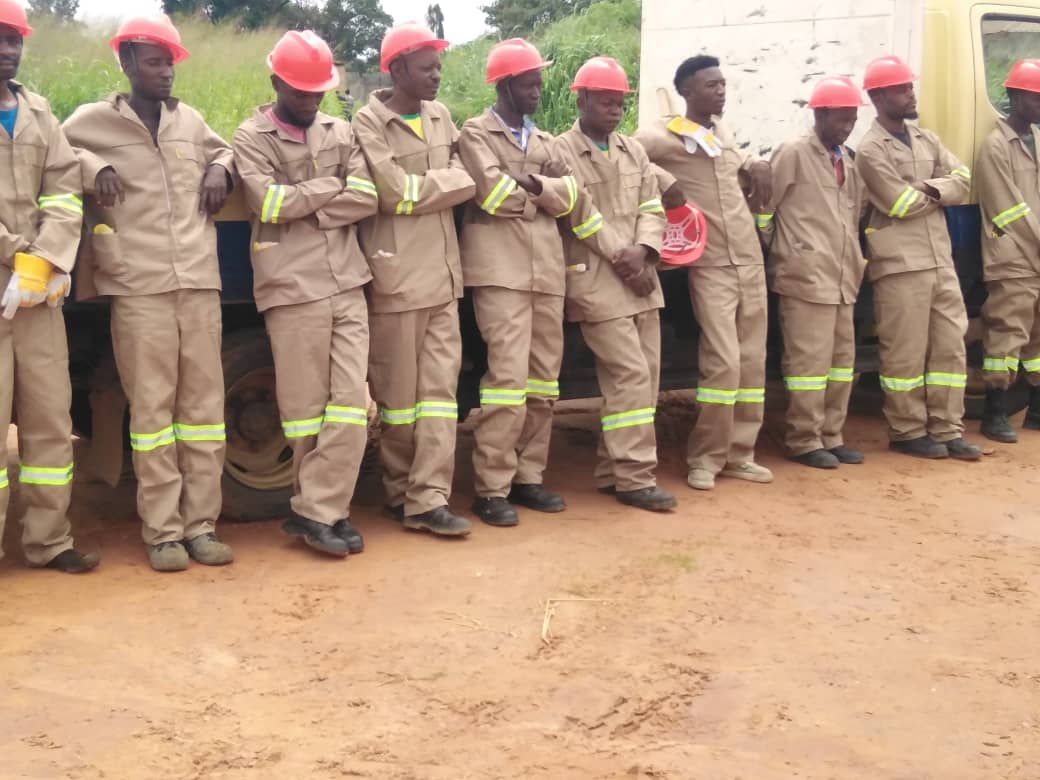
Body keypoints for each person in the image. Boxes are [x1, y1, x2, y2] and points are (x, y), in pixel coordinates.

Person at [63, 15, 236, 571]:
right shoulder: (93, 121)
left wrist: (221, 171)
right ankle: (162, 532)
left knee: (205, 411)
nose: (166, 73)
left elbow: (228, 152)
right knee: (153, 412)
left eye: (171, 62)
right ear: (128, 63)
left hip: (198, 283)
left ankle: (201, 526)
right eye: (155, 62)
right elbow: (54, 155)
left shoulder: (189, 121)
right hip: (139, 287)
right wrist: (96, 166)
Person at [233, 31, 377, 557]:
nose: (312, 102)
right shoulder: (250, 137)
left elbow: (366, 195)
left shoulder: (340, 130)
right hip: (292, 289)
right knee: (303, 412)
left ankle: (318, 510)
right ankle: (321, 510)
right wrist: (329, 191)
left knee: (351, 406)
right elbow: (268, 204)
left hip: (347, 280)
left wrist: (306, 202)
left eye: (319, 93)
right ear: (276, 83)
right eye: (301, 93)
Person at [352, 22, 476, 537]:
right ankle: (401, 493)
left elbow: (465, 177)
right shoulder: (368, 122)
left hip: (445, 280)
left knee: (440, 397)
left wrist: (436, 185)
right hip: (398, 279)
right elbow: (393, 192)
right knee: (400, 402)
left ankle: (429, 499)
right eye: (426, 67)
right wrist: (451, 182)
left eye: (438, 66)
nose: (436, 76)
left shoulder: (441, 116)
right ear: (397, 68)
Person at [635, 55, 773, 491]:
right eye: (710, 85)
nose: (720, 91)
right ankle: (706, 457)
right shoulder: (664, 134)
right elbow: (626, 156)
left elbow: (733, 159)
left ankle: (740, 454)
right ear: (687, 92)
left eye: (722, 83)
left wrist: (753, 163)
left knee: (752, 363)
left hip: (748, 259)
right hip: (710, 263)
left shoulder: (721, 131)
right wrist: (663, 181)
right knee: (724, 362)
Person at [458, 39, 575, 527]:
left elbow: (570, 196)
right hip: (500, 274)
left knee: (544, 384)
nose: (537, 90)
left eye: (538, 81)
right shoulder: (475, 134)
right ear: (506, 85)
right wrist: (539, 187)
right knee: (506, 382)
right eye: (529, 82)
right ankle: (492, 487)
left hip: (546, 272)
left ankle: (529, 477)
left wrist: (536, 185)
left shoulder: (544, 139)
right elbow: (493, 194)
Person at [0, 0, 97, 573]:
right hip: (16, 276)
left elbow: (64, 190)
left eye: (14, 40)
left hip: (37, 293)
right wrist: (21, 256)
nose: (8, 50)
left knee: (48, 420)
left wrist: (46, 261)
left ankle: (48, 540)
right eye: (0, 40)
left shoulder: (39, 113)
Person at [555, 56, 677, 513]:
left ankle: (614, 469)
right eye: (605, 101)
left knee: (646, 378)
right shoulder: (562, 149)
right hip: (597, 278)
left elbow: (652, 204)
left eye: (619, 102)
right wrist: (622, 255)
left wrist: (645, 251)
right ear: (582, 99)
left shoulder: (633, 150)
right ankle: (634, 476)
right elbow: (578, 210)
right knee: (628, 375)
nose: (614, 109)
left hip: (640, 275)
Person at [857, 55, 981, 461]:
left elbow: (963, 179)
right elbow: (898, 203)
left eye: (910, 86)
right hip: (900, 265)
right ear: (878, 97)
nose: (912, 94)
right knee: (904, 352)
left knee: (950, 349)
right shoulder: (870, 149)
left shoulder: (927, 139)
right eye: (903, 88)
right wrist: (938, 191)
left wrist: (926, 189)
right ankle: (907, 430)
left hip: (940, 260)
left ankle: (947, 429)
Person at [758, 76, 867, 469]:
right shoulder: (793, 153)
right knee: (808, 365)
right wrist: (790, 250)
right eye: (842, 118)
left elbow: (852, 214)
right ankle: (803, 438)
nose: (848, 126)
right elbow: (764, 210)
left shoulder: (846, 160)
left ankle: (831, 435)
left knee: (841, 363)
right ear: (820, 115)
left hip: (841, 277)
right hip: (805, 277)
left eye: (853, 119)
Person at [976, 58, 1040, 441]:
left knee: (1037, 341)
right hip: (1014, 258)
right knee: (1006, 336)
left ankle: (1036, 411)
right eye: (1035, 98)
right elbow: (1010, 210)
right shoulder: (996, 147)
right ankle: (994, 413)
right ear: (1015, 98)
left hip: (1035, 257)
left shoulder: (1037, 140)